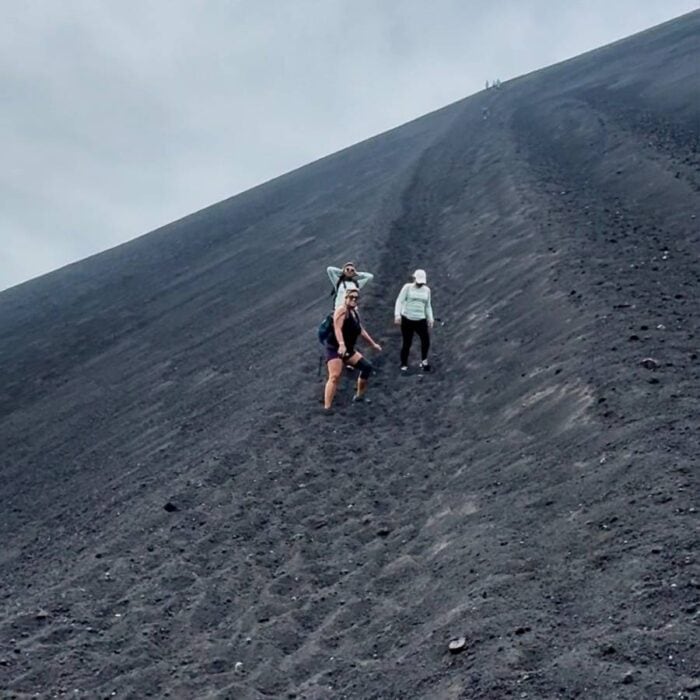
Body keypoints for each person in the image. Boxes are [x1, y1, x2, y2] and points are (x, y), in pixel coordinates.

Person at [324, 288, 382, 410]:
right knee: (334, 376)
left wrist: (373, 344)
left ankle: (359, 396)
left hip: (348, 350)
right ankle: (327, 407)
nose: (354, 300)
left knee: (366, 367)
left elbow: (360, 330)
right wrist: (341, 344)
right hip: (335, 349)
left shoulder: (355, 313)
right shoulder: (341, 311)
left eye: (356, 298)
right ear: (345, 298)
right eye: (351, 297)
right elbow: (337, 328)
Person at [394, 268, 434, 373]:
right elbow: (400, 300)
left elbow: (428, 306)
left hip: (421, 319)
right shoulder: (407, 288)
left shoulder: (427, 290)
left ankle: (424, 361)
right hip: (407, 318)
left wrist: (430, 318)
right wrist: (397, 315)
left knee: (426, 341)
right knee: (407, 342)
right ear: (414, 278)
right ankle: (403, 364)